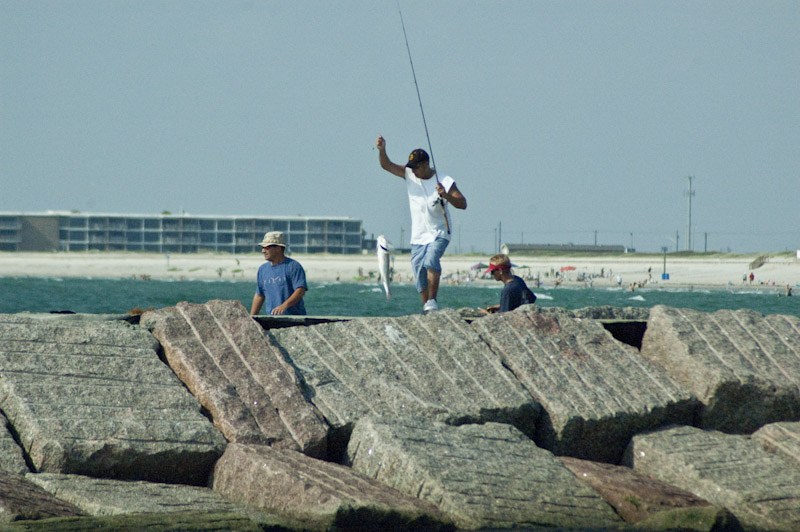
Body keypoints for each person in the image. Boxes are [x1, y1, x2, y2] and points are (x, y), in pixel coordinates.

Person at [376, 136, 467, 313]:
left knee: (431, 260)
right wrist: (382, 150)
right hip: (418, 235)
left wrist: (446, 195)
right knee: (418, 270)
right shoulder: (409, 174)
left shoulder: (444, 180)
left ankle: (432, 300)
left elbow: (463, 203)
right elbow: (387, 165)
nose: (413, 171)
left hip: (440, 231)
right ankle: (426, 306)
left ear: (425, 164)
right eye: (411, 167)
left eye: (416, 167)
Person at [250, 231, 307, 316]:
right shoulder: (262, 269)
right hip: (272, 318)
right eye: (262, 247)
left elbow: (300, 291)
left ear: (278, 248)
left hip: (294, 318)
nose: (263, 251)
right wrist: (251, 317)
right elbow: (259, 295)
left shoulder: (293, 266)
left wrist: (284, 306)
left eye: (267, 247)